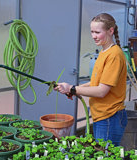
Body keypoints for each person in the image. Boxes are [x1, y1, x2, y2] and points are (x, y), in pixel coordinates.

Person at [55, 13, 128, 146]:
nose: (93, 36)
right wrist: (73, 88)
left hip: (110, 117)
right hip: (103, 116)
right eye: (92, 32)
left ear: (111, 31)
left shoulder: (114, 55)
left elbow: (101, 91)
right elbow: (96, 83)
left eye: (97, 32)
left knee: (105, 155)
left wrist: (72, 88)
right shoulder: (104, 51)